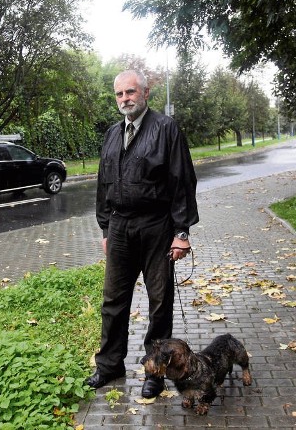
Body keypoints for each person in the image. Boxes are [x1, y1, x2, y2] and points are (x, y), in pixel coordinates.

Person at [87, 69, 199, 398]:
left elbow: (182, 181)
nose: (125, 99)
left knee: (159, 302)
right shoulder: (111, 134)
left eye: (131, 92)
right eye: (120, 94)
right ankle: (109, 366)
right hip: (120, 227)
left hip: (156, 227)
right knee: (113, 302)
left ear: (145, 93)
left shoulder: (166, 129)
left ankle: (156, 372)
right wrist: (106, 227)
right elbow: (103, 185)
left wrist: (181, 231)